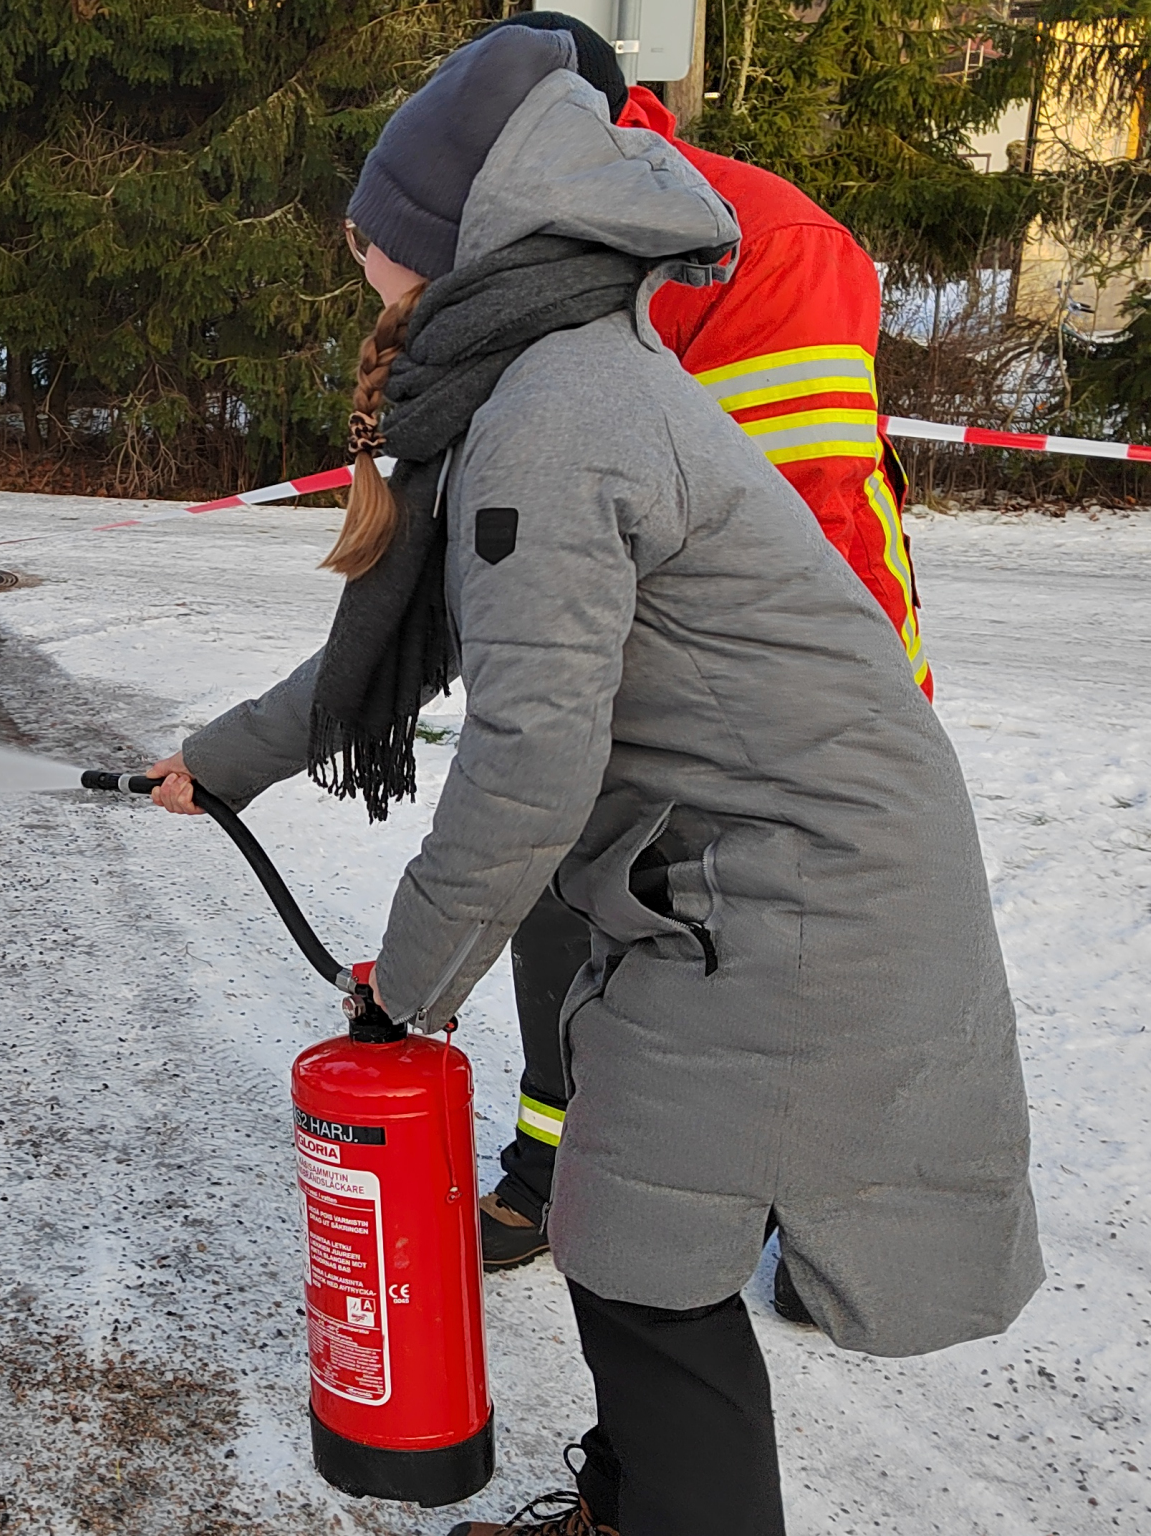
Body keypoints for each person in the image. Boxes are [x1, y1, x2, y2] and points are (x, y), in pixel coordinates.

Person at [146, 25, 1041, 1536]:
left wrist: (411, 984)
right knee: (628, 1238)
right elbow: (417, 653)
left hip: (788, 890)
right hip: (733, 875)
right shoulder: (553, 380)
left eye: (377, 235)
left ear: (458, 230)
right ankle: (638, 1506)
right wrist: (219, 764)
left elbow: (529, 758)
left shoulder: (551, 420)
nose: (361, 265)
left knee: (641, 1259)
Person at [470, 14, 929, 1306]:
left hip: (798, 698)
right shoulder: (539, 243)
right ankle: (556, 1171)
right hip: (629, 664)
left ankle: (840, 1226)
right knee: (568, 911)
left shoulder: (756, 243)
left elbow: (818, 524)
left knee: (772, 966)